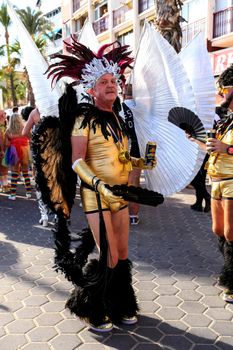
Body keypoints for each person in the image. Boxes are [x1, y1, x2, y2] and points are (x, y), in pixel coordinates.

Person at [43, 40, 157, 332]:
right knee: (106, 252)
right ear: (91, 89)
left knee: (121, 252)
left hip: (121, 194)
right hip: (97, 195)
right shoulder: (83, 120)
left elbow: (121, 159)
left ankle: (120, 303)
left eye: (113, 81)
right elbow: (76, 161)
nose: (111, 85)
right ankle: (91, 307)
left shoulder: (117, 119)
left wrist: (141, 162)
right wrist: (97, 185)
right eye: (103, 82)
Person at [191, 63, 233, 303]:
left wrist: (226, 148)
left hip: (232, 182)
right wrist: (195, 139)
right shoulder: (225, 121)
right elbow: (212, 149)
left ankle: (232, 280)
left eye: (224, 89)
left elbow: (224, 149)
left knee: (230, 232)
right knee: (218, 230)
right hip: (215, 180)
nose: (221, 93)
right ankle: (230, 270)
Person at [22, 108, 49, 227]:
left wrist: (34, 138)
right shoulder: (56, 107)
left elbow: (24, 132)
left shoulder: (35, 113)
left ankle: (44, 216)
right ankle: (60, 215)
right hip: (56, 150)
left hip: (40, 151)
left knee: (40, 184)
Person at [122, 84, 142, 225]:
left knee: (121, 181)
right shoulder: (142, 109)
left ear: (123, 94)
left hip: (121, 149)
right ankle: (133, 216)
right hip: (138, 148)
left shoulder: (117, 108)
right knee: (134, 183)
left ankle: (121, 213)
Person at [5, 113, 31, 200]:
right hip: (25, 149)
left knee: (14, 173)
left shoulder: (8, 131)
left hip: (14, 151)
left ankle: (13, 195)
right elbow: (30, 138)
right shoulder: (24, 128)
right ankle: (28, 193)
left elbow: (7, 144)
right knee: (25, 172)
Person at [0, 110, 9, 192]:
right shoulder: (1, 126)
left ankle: (4, 185)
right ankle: (4, 186)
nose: (5, 115)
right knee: (3, 168)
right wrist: (2, 150)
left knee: (3, 167)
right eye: (4, 114)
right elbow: (1, 140)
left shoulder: (4, 125)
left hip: (4, 149)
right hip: (1, 149)